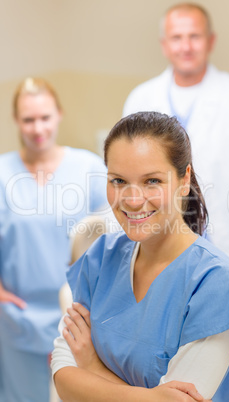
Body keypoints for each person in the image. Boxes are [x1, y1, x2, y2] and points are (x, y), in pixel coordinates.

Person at [51, 112, 229, 401]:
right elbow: (62, 377)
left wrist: (92, 366)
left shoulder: (215, 283)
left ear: (184, 180)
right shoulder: (100, 259)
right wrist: (152, 397)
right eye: (119, 180)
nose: (133, 200)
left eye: (152, 181)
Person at [122, 3, 229, 284]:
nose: (186, 46)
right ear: (164, 44)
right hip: (159, 242)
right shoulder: (141, 98)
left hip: (226, 243)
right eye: (177, 38)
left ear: (210, 41)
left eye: (195, 36)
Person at [0, 77, 111, 402]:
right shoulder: (2, 173)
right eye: (28, 119)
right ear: (16, 120)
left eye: (45, 117)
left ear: (59, 114)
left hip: (80, 316)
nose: (38, 128)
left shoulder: (88, 167)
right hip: (18, 318)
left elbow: (113, 239)